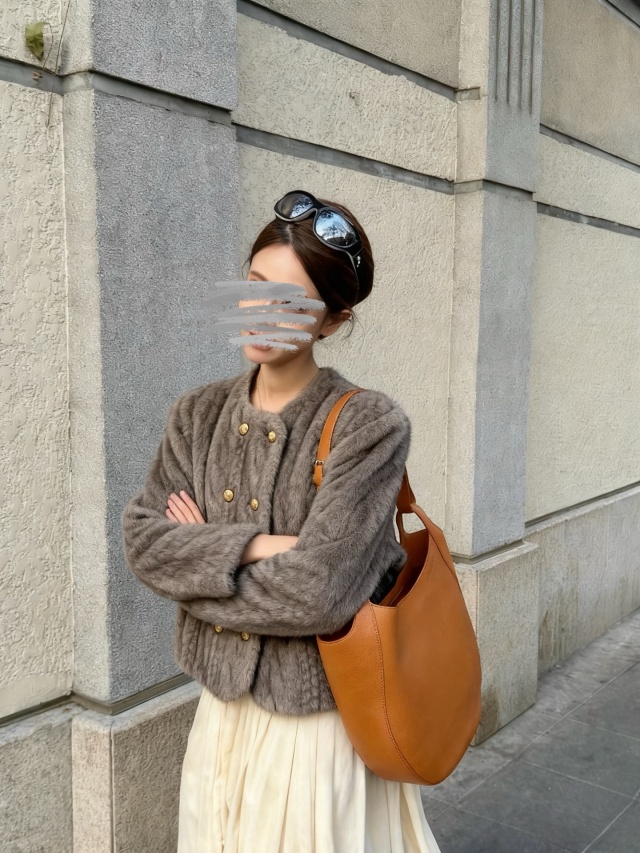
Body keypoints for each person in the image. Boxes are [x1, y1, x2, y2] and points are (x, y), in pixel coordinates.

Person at [121, 191, 441, 852]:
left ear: (333, 320)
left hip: (315, 725)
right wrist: (258, 545)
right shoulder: (196, 414)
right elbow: (144, 543)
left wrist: (199, 559)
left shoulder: (367, 424)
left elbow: (318, 591)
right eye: (256, 284)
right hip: (219, 714)